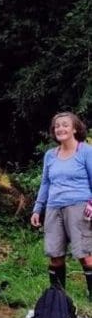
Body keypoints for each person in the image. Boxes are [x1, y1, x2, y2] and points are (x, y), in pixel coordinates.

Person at [30, 112, 92, 300]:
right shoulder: (50, 155)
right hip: (53, 208)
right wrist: (37, 208)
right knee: (55, 254)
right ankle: (58, 299)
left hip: (79, 206)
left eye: (65, 125)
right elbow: (45, 183)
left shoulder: (85, 151)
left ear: (74, 128)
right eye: (57, 126)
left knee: (85, 254)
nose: (60, 129)